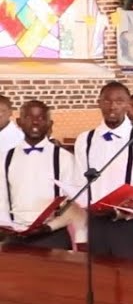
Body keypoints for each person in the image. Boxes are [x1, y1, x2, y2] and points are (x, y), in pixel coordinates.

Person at [73, 81, 133, 260]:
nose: (112, 106)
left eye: (119, 101)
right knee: (99, 276)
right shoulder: (85, 140)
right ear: (99, 103)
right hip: (96, 222)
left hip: (130, 225)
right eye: (107, 101)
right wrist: (88, 204)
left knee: (131, 278)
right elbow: (79, 181)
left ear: (128, 105)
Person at [0, 100, 81, 249]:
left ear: (50, 123)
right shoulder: (5, 158)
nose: (35, 122)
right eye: (29, 118)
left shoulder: (64, 158)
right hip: (15, 237)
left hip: (53, 236)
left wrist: (49, 227)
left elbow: (73, 202)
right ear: (19, 122)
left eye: (41, 118)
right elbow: (2, 198)